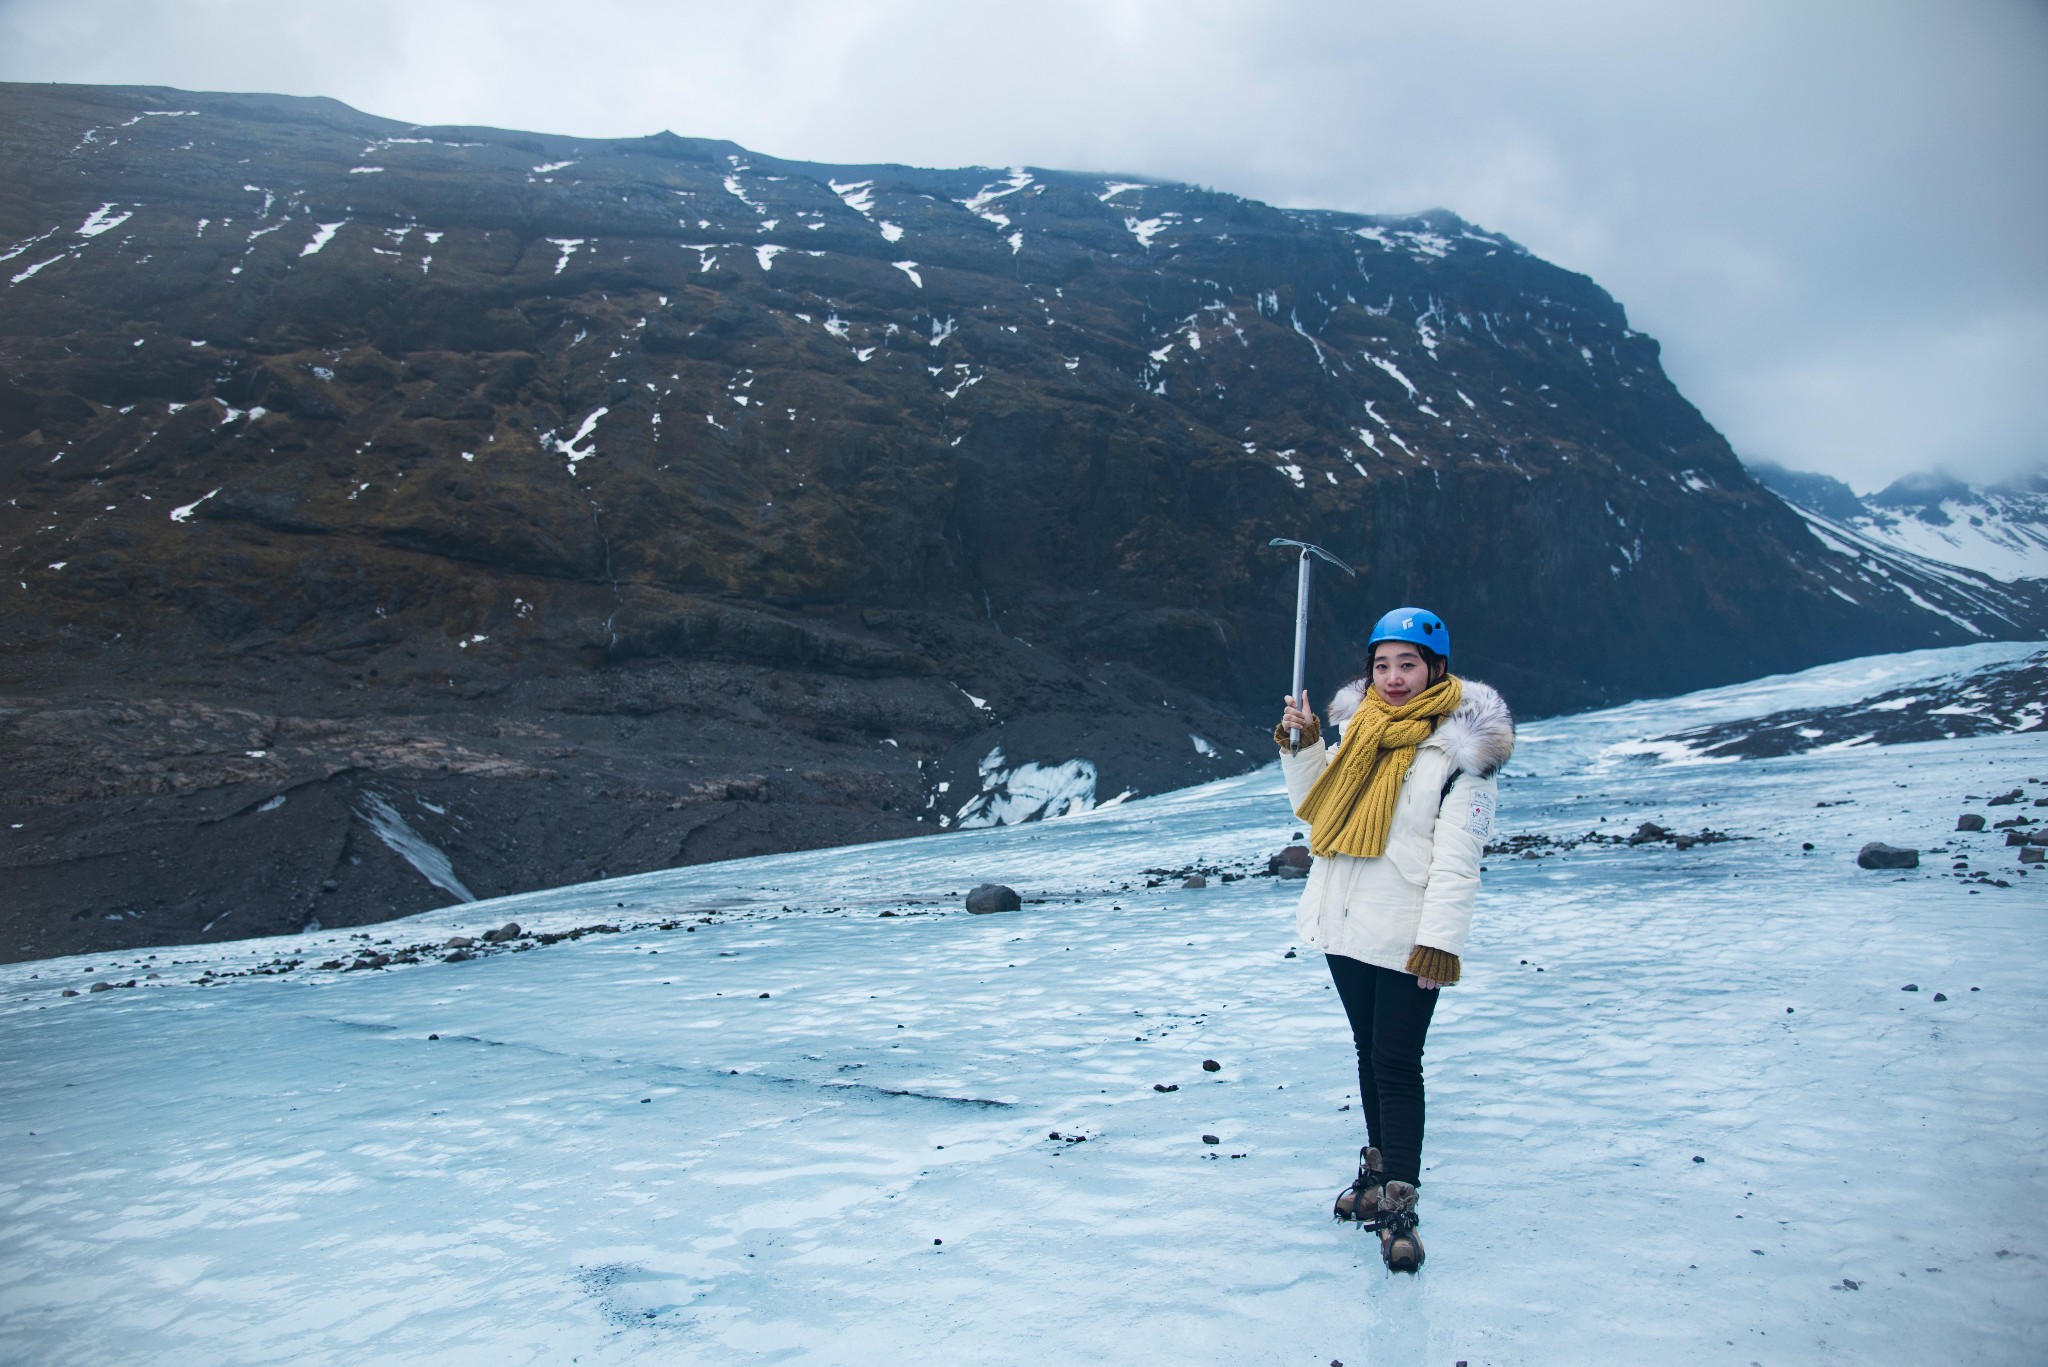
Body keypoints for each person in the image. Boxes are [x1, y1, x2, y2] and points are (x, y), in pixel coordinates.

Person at [1275, 606, 1514, 1272]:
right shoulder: (1362, 730)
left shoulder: (1462, 753)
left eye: (1407, 663)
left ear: (1436, 668)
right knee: (1369, 1050)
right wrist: (1304, 748)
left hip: (1408, 933)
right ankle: (1377, 1173)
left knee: (1397, 1064)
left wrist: (1439, 944)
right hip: (1349, 919)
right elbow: (1319, 807)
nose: (1393, 677)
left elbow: (1457, 860)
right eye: (1382, 664)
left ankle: (1399, 1207)